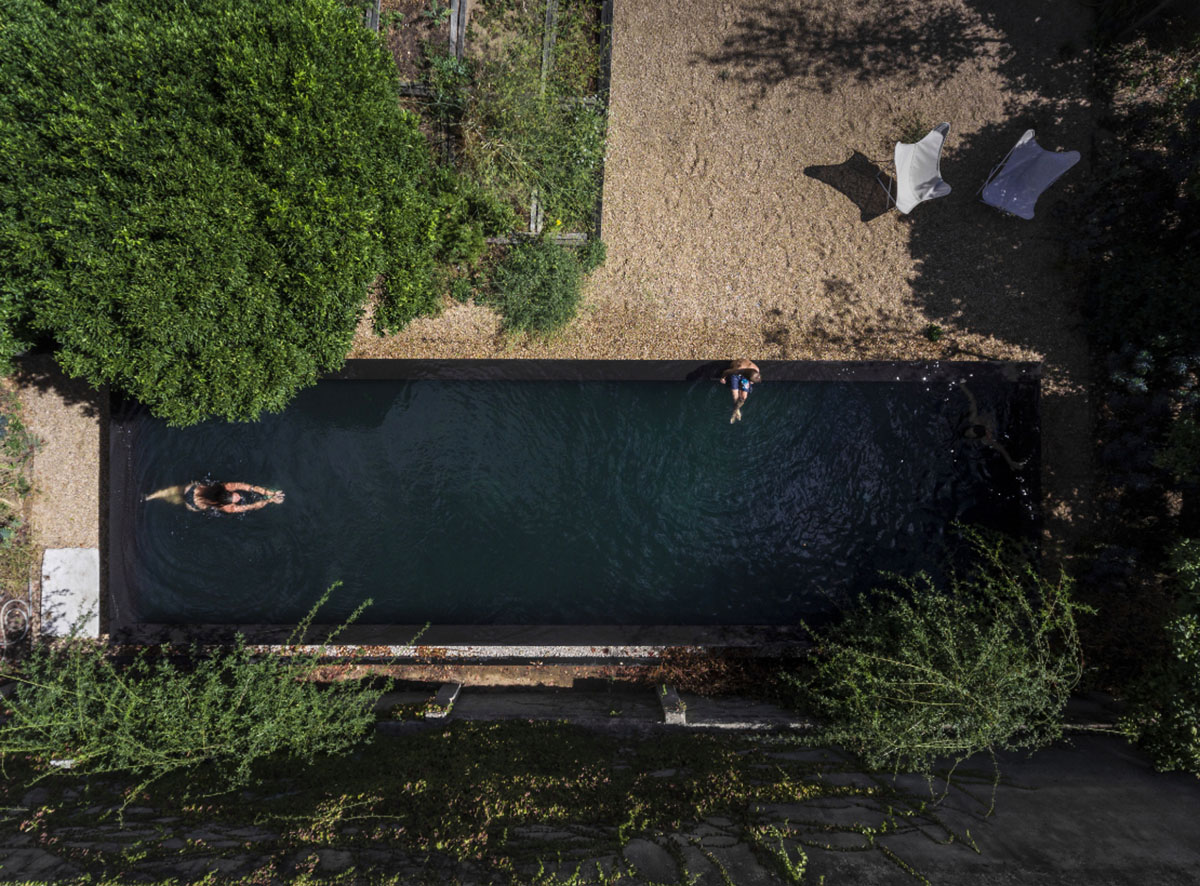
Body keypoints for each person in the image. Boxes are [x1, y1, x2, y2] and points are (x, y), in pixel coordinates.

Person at [144, 481, 285, 514]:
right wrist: (270, 498)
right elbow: (252, 505)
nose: (237, 496)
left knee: (171, 491)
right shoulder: (227, 507)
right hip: (192, 505)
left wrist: (270, 494)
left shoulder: (224, 486)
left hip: (191, 490)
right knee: (174, 500)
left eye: (235, 497)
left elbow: (248, 487)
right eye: (235, 497)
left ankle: (151, 497)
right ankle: (153, 498)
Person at [718, 359, 762, 423]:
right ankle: (735, 411)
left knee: (743, 397)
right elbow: (726, 372)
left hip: (747, 375)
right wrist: (723, 378)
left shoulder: (756, 370)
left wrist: (751, 381)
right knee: (735, 396)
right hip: (736, 375)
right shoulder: (737, 370)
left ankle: (735, 409)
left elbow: (756, 377)